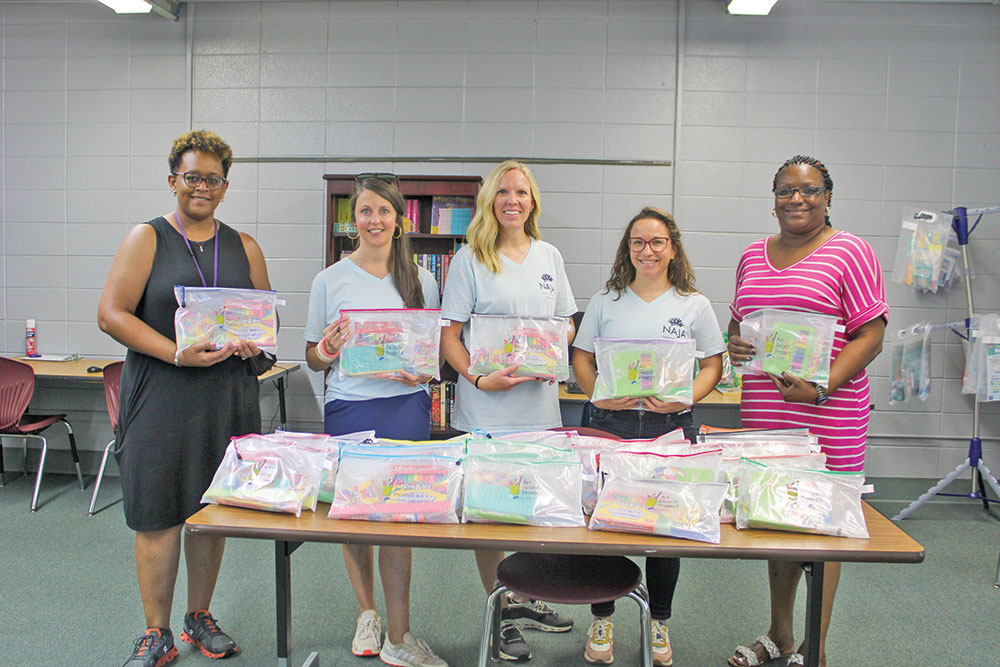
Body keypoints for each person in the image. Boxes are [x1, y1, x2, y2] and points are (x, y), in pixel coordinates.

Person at [97, 130, 276, 667]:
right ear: (173, 180)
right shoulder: (146, 238)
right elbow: (112, 314)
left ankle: (199, 616)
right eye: (192, 176)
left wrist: (254, 345)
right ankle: (156, 632)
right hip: (162, 398)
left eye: (213, 179)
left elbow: (266, 330)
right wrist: (175, 352)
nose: (202, 187)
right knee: (156, 515)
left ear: (225, 188)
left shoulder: (244, 246)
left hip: (225, 400)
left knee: (208, 511)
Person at [725, 155, 887, 667]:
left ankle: (813, 650)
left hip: (827, 413)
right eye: (786, 191)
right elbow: (738, 326)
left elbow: (872, 334)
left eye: (810, 190)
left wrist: (820, 388)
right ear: (773, 199)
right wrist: (737, 348)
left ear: (828, 197)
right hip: (767, 414)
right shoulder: (753, 255)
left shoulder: (851, 251)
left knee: (823, 526)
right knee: (774, 519)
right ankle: (780, 634)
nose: (797, 199)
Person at [304, 175, 447, 667]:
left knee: (399, 519)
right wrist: (328, 347)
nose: (375, 220)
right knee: (356, 516)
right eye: (365, 211)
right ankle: (368, 612)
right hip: (350, 406)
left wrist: (422, 371)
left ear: (399, 220)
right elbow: (313, 358)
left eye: (384, 211)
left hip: (405, 407)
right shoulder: (330, 279)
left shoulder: (422, 280)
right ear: (352, 220)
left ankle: (400, 635)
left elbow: (431, 356)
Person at [571, 207, 724, 666]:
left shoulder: (693, 305)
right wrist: (599, 393)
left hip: (668, 425)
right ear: (627, 249)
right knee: (605, 522)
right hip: (610, 423)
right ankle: (602, 618)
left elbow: (713, 364)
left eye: (657, 242)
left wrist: (685, 399)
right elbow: (580, 357)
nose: (647, 250)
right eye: (638, 242)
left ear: (672, 249)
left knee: (665, 526)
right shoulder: (606, 301)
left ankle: (658, 622)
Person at [440, 160, 577, 662]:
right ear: (489, 202)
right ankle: (498, 611)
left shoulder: (549, 256)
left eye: (520, 192)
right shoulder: (469, 259)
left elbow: (565, 323)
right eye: (502, 193)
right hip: (487, 410)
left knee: (534, 510)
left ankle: (525, 597)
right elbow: (449, 337)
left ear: (532, 200)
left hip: (539, 409)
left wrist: (552, 351)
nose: (512, 200)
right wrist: (478, 378)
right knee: (490, 513)